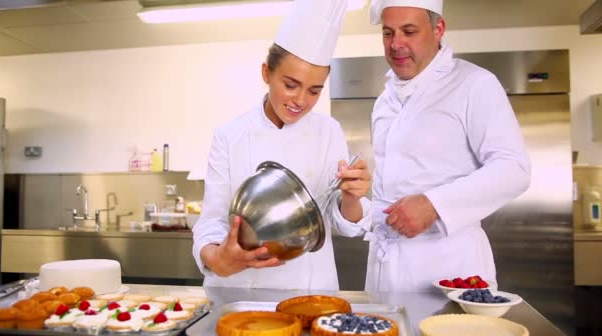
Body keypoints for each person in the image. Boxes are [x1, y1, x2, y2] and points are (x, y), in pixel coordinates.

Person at [192, 0, 372, 291]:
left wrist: (352, 197)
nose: (301, 100)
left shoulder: (328, 131)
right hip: (241, 291)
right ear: (267, 73)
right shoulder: (230, 135)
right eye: (290, 85)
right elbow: (212, 221)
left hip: (310, 291)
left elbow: (343, 223)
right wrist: (215, 257)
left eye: (314, 91)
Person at [365, 0, 531, 292]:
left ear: (438, 28)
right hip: (386, 270)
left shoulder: (474, 84)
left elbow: (514, 168)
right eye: (388, 33)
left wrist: (434, 205)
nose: (396, 44)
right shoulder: (383, 101)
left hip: (449, 267)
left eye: (409, 31)